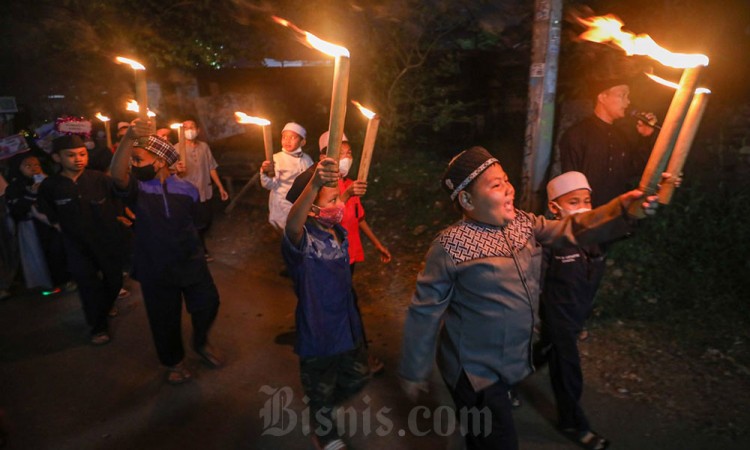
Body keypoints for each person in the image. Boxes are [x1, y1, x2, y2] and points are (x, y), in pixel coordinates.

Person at [399, 146, 664, 450]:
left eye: (506, 179)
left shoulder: (524, 224)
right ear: (467, 200)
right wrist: (413, 370)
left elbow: (573, 229)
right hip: (474, 373)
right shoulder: (450, 247)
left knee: (482, 437)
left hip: (508, 361)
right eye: (496, 185)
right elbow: (425, 311)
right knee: (497, 441)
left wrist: (623, 209)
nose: (509, 189)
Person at [110, 119, 223, 384]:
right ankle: (173, 361)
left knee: (208, 303)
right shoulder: (137, 190)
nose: (133, 166)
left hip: (190, 261)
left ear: (160, 161)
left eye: (138, 159)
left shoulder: (187, 189)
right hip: (154, 266)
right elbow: (117, 176)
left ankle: (201, 341)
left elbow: (196, 223)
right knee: (164, 317)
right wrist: (128, 139)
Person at [282, 157, 370, 450]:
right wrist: (315, 185)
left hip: (345, 325)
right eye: (332, 198)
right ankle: (324, 430)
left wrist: (346, 194)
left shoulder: (338, 232)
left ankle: (323, 409)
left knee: (358, 375)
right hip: (318, 328)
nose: (339, 204)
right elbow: (293, 224)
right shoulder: (302, 242)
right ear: (312, 209)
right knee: (319, 388)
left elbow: (336, 204)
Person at [539, 171, 609, 449]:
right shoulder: (549, 241)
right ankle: (572, 423)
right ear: (555, 208)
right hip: (557, 318)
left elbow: (630, 220)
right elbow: (534, 281)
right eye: (573, 201)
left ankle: (501, 381)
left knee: (545, 352)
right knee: (568, 370)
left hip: (577, 315)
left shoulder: (595, 235)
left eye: (587, 200)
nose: (582, 206)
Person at [36, 135, 124, 345]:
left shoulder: (99, 179)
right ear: (57, 158)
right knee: (88, 285)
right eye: (71, 155)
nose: (78, 159)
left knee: (114, 280)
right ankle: (98, 327)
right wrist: (58, 226)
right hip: (75, 245)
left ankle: (106, 303)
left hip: (105, 241)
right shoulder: (51, 186)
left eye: (82, 154)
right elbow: (46, 211)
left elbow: (117, 201)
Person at [319, 131, 391, 374]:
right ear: (325, 157)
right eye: (341, 154)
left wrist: (377, 243)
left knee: (345, 304)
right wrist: (346, 195)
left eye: (349, 154)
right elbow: (324, 217)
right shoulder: (319, 186)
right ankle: (354, 358)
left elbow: (358, 219)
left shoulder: (350, 185)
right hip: (329, 259)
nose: (347, 158)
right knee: (347, 306)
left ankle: (348, 355)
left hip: (348, 257)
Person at [559, 78, 657, 208]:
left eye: (628, 96)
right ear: (602, 97)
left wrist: (646, 137)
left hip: (616, 216)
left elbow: (635, 169)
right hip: (588, 218)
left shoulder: (621, 137)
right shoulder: (577, 135)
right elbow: (570, 181)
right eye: (622, 95)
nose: (628, 102)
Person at [5, 154, 69, 292]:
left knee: (58, 252)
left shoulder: (47, 181)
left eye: (36, 165)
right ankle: (47, 285)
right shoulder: (14, 187)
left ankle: (65, 280)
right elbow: (17, 210)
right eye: (28, 165)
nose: (34, 168)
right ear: (18, 168)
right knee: (39, 256)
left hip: (50, 224)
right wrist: (31, 194)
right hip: (31, 228)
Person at [172, 120, 229, 262]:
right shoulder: (176, 149)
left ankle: (197, 247)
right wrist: (177, 170)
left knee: (205, 221)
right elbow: (170, 172)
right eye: (185, 128)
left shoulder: (204, 147)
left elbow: (211, 167)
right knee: (190, 223)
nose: (189, 130)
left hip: (204, 191)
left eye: (191, 127)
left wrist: (221, 187)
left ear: (197, 130)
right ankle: (198, 250)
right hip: (185, 194)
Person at [260, 122, 314, 231]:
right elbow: (269, 185)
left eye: (292, 137)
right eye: (284, 137)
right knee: (283, 235)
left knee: (300, 234)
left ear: (302, 142)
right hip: (282, 205)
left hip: (302, 204)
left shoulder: (307, 159)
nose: (287, 141)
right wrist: (265, 173)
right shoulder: (276, 159)